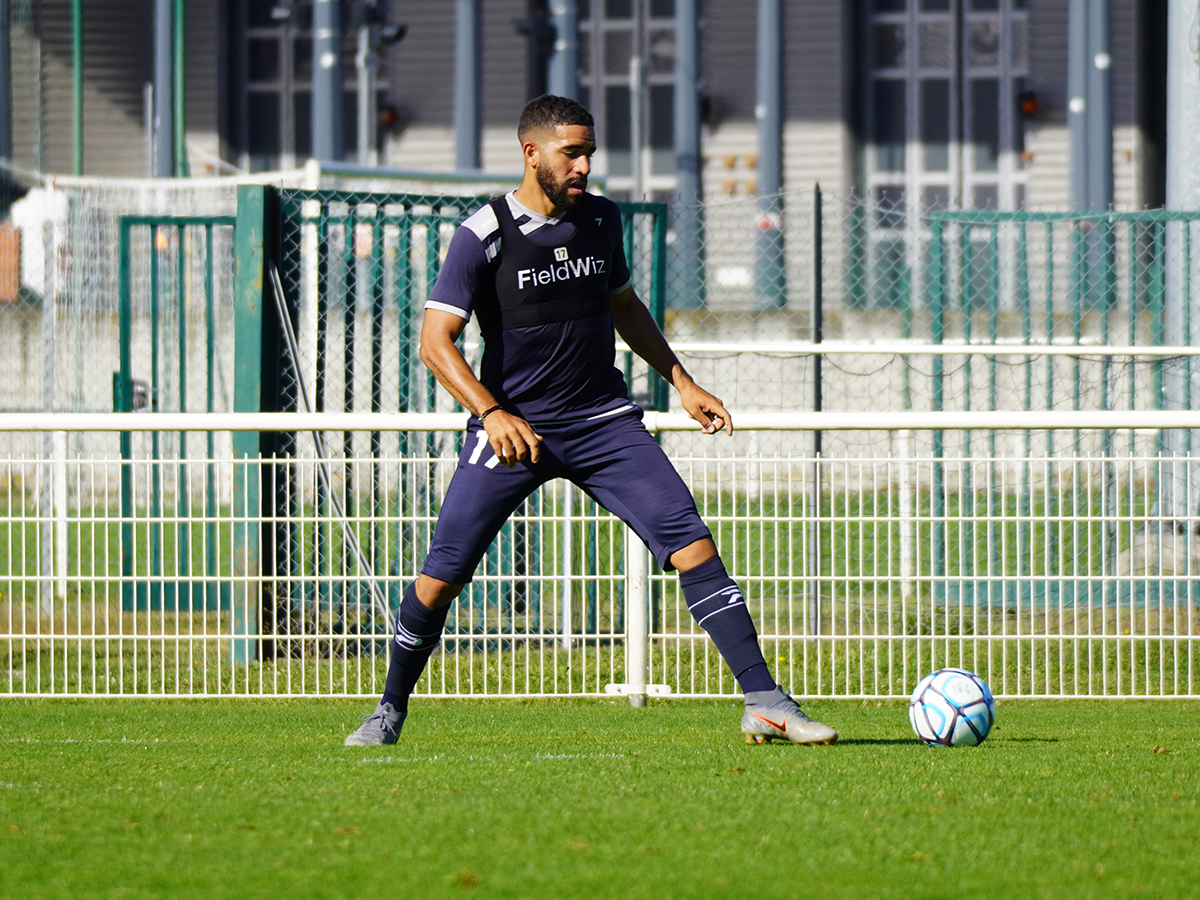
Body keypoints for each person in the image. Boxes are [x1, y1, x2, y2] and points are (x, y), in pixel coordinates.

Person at [345, 95, 836, 748]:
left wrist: (682, 382)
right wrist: (491, 413)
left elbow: (625, 307)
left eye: (589, 154)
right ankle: (388, 711)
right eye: (571, 153)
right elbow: (436, 343)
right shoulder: (483, 234)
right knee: (440, 580)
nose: (583, 166)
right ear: (532, 153)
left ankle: (765, 700)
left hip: (603, 424)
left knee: (693, 545)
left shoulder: (602, 218)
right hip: (514, 432)